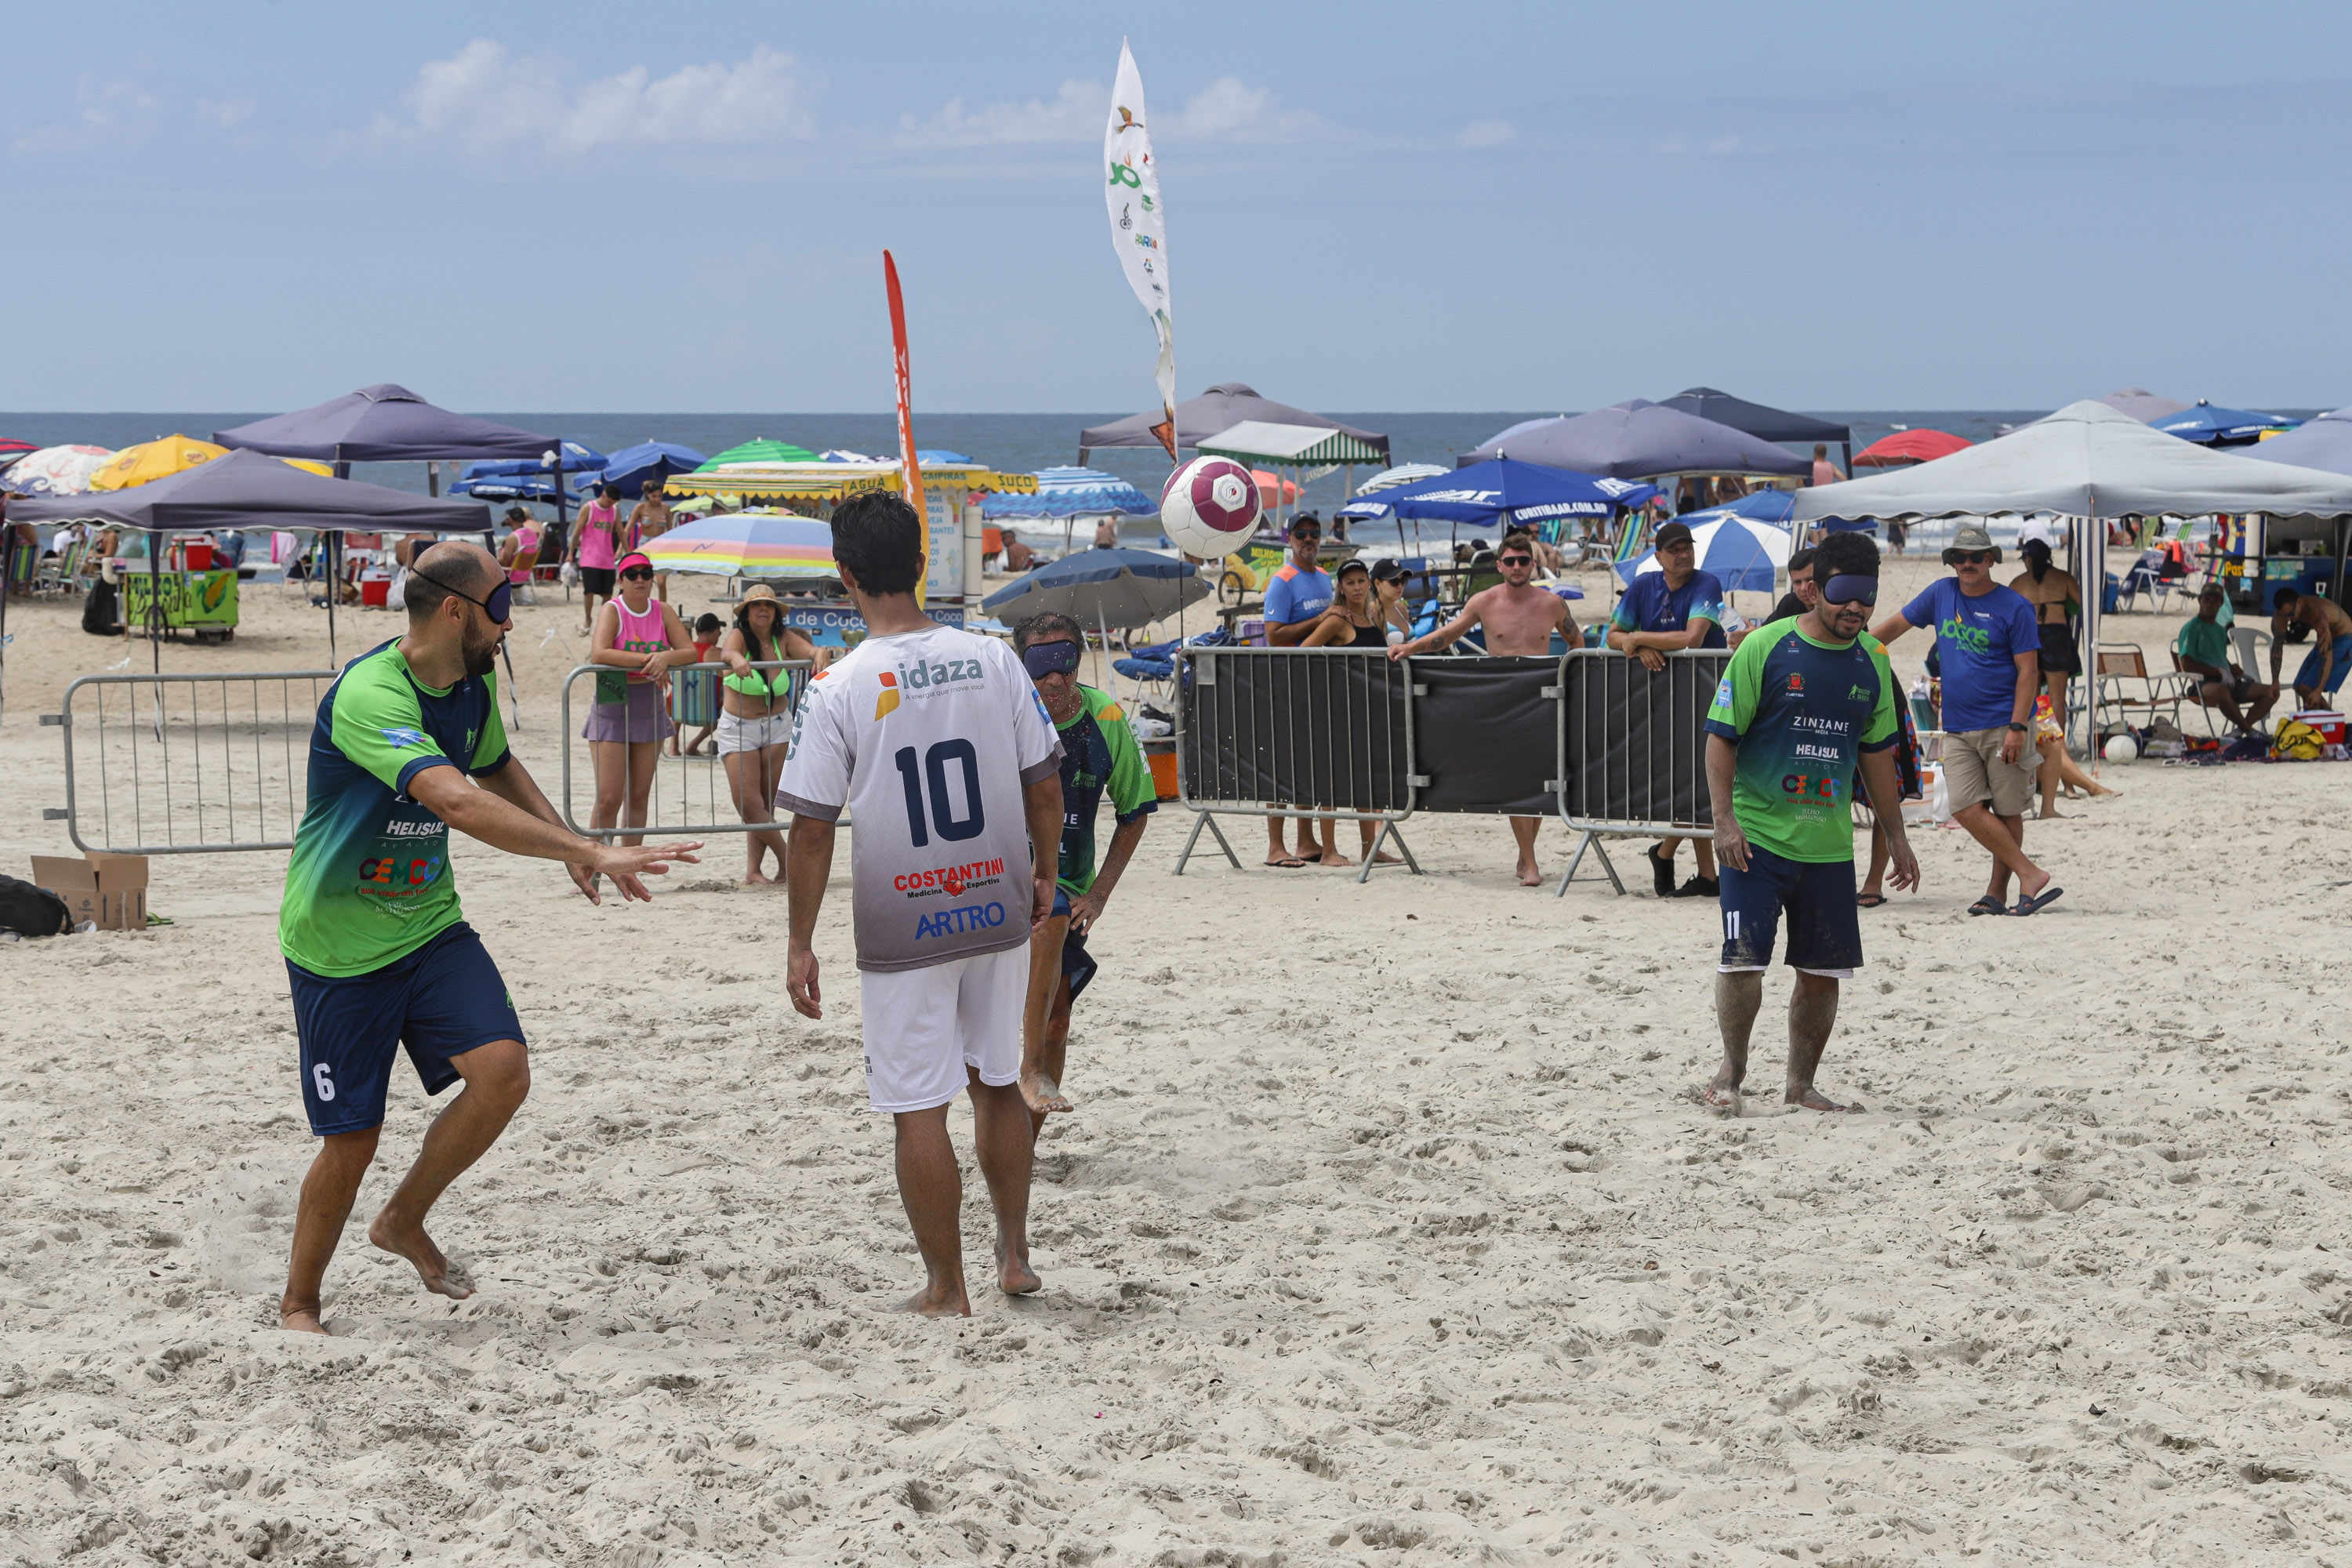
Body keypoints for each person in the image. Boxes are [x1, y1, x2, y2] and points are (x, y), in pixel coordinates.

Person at [274, 541, 698, 1334]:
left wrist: (569, 842)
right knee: (352, 1139)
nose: (510, 622)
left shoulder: (469, 683)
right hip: (337, 943)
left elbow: (498, 767)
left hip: (428, 923)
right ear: (454, 609)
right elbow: (458, 803)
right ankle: (301, 1300)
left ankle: (402, 1218)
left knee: (503, 1070)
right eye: (503, 605)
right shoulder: (371, 693)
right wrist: (593, 846)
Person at [779, 492, 1064, 1316]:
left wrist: (800, 940)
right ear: (921, 562)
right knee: (998, 1081)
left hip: (906, 917)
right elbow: (1042, 782)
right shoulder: (995, 658)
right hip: (994, 899)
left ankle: (947, 1286)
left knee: (916, 1105)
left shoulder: (838, 686)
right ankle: (1013, 1252)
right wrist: (1044, 871)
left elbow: (811, 829)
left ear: (844, 576)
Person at [1701, 530, 1919, 1115]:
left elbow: (1877, 756)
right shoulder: (1764, 648)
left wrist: (1895, 836)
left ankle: (1800, 1085)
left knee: (1823, 972)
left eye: (1867, 596)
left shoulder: (1873, 659)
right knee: (1743, 960)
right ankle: (1732, 1070)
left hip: (1826, 845)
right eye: (1844, 593)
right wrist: (1723, 823)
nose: (1857, 607)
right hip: (1756, 836)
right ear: (1814, 590)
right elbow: (1720, 740)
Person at [1871, 522, 2060, 916]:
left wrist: (2017, 728)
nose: (1967, 563)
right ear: (1952, 562)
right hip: (1957, 725)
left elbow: (2029, 672)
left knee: (2008, 810)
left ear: (1991, 559)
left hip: (2005, 724)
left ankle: (1998, 892)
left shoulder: (2016, 607)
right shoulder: (1942, 593)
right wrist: (1845, 647)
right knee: (1963, 806)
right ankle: (2029, 873)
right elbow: (1893, 627)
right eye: (1960, 557)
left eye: (1976, 556)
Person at [1011, 612, 1156, 1123]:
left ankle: (1026, 1143)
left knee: (1056, 1020)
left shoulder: (1107, 719)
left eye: (1066, 660)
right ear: (1021, 664)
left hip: (1068, 886)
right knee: (983, 1029)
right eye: (1041, 663)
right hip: (997, 884)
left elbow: (1135, 813)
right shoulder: (1001, 716)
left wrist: (1099, 895)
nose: (1055, 676)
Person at [1392, 532, 1578, 886]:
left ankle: (1526, 856)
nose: (1517, 567)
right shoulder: (1484, 601)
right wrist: (1411, 648)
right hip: (1503, 699)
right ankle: (1531, 861)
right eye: (1510, 561)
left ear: (1533, 564)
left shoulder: (1552, 603)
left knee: (1539, 780)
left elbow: (1575, 641)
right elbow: (1448, 635)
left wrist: (1571, 678)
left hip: (1543, 699)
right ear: (1499, 565)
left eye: (1523, 561)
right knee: (1514, 779)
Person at [1607, 521, 1731, 898]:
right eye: (1675, 549)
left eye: (1687, 547)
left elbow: (1692, 638)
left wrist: (1639, 638)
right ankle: (1706, 876)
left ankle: (1666, 853)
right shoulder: (1644, 585)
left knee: (1703, 779)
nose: (1683, 554)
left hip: (1709, 692)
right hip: (1665, 698)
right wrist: (1637, 646)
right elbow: (1612, 636)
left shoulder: (1706, 582)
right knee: (1687, 780)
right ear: (1658, 556)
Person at [585, 552, 696, 852]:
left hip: (648, 704)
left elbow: (689, 651)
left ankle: (629, 865)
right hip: (613, 701)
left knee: (638, 795)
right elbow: (601, 653)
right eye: (632, 574)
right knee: (609, 797)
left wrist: (665, 658)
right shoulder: (613, 609)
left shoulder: (663, 610)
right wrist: (652, 661)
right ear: (620, 580)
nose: (640, 580)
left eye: (646, 574)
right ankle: (591, 864)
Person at [1301, 560, 1408, 869]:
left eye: (1362, 581)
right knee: (1332, 779)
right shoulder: (1337, 620)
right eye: (1350, 582)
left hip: (1368, 709)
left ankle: (1369, 849)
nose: (1357, 587)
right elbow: (1303, 651)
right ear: (1341, 588)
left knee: (1367, 780)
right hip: (1337, 709)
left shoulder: (1372, 617)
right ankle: (1330, 850)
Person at [718, 584, 822, 885]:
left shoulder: (784, 639)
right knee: (748, 803)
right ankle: (789, 859)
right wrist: (735, 659)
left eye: (768, 605)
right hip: (739, 727)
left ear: (776, 612)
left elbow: (812, 651)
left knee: (765, 804)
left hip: (778, 725)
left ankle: (754, 870)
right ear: (746, 613)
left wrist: (821, 653)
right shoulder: (739, 637)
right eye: (756, 606)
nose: (763, 610)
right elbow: (727, 651)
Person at [1260, 514, 1335, 868]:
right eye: (1301, 534)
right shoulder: (1281, 581)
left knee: (1310, 763)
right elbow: (1274, 634)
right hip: (1286, 682)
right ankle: (1276, 846)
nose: (1309, 540)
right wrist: (1320, 622)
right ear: (1289, 539)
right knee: (1284, 765)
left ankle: (1306, 841)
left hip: (1318, 682)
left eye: (1314, 534)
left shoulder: (1324, 579)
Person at [2180, 584, 2280, 735]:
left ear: (2221, 604)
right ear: (2200, 600)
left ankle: (2240, 731)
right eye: (2207, 599)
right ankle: (2250, 732)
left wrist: (2231, 669)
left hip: (2227, 681)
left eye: (2215, 601)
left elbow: (2218, 657)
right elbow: (2186, 664)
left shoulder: (2220, 631)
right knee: (2222, 692)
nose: (2210, 604)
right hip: (2202, 683)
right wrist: (2217, 672)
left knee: (2272, 692)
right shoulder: (2191, 628)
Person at [2010, 538, 2082, 735]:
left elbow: (2006, 615)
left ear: (2028, 559)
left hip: (2029, 637)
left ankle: (2032, 742)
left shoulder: (2018, 583)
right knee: (2057, 697)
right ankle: (2058, 745)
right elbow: (2083, 604)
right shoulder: (2063, 578)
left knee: (2029, 696)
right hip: (2057, 637)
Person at [2268, 586, 2352, 707]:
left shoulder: (2317, 614)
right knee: (2299, 686)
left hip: (2345, 638)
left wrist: (2319, 690)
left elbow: (2327, 656)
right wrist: (2275, 681)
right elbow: (2277, 649)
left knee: (2308, 689)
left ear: (2300, 602)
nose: (2289, 619)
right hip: (2329, 637)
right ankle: (2321, 722)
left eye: (2291, 614)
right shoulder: (2280, 616)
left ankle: (2331, 723)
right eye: (2286, 616)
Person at [666, 612, 725, 760]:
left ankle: (673, 747)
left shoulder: (682, 653)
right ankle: (693, 745)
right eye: (719, 631)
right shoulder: (717, 654)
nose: (719, 635)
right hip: (708, 711)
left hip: (677, 710)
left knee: (678, 696)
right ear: (713, 632)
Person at [575, 484, 626, 632]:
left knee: (607, 593)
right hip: (589, 557)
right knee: (589, 591)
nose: (610, 505)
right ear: (603, 495)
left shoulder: (615, 510)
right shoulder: (589, 508)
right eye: (609, 502)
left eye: (613, 503)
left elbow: (621, 532)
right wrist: (570, 552)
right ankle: (588, 618)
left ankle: (603, 620)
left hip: (607, 558)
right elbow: (577, 531)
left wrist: (628, 552)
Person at [627, 481, 675, 602]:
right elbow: (628, 528)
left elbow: (671, 530)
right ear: (647, 495)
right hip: (645, 544)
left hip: (661, 543)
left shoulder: (665, 508)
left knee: (661, 582)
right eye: (654, 496)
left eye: (660, 496)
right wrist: (620, 549)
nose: (657, 499)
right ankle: (645, 606)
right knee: (645, 579)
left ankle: (663, 607)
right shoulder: (641, 508)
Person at [1769, 546, 1820, 624]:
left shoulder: (1837, 605)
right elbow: (1764, 630)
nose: (1803, 588)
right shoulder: (1790, 603)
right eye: (1798, 582)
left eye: (1809, 580)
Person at [496, 506, 541, 589]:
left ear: (511, 519)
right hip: (525, 576)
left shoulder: (512, 538)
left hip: (510, 577)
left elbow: (504, 563)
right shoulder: (533, 534)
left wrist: (492, 561)